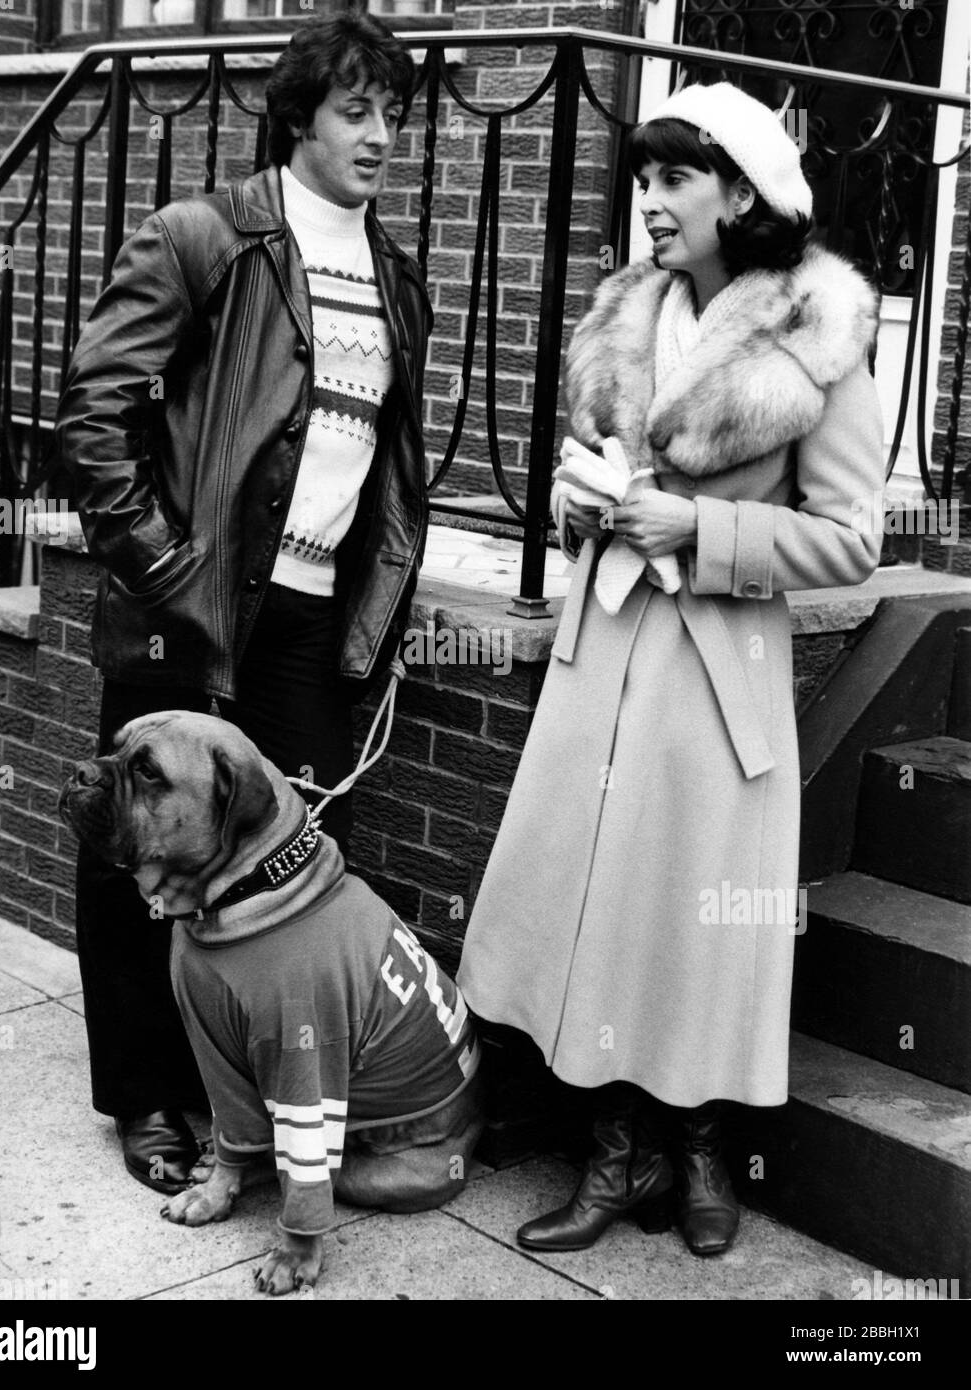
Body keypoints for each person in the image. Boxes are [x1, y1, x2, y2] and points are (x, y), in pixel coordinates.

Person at [457, 82, 883, 1257]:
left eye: (674, 179)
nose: (649, 203)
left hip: (713, 672)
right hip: (603, 658)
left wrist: (699, 531)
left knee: (689, 921)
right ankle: (613, 1149)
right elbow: (582, 466)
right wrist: (577, 500)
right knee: (597, 901)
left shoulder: (820, 330)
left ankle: (695, 1151)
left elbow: (852, 539)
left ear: (739, 195)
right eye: (643, 179)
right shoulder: (623, 316)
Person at [54, 11, 432, 1195]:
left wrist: (380, 609)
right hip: (191, 606)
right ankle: (149, 1098)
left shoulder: (395, 275)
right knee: (139, 845)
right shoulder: (204, 238)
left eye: (393, 114)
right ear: (298, 117)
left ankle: (269, 1106)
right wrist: (164, 564)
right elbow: (93, 415)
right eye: (355, 110)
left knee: (290, 867)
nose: (380, 136)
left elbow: (389, 465)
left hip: (315, 625)